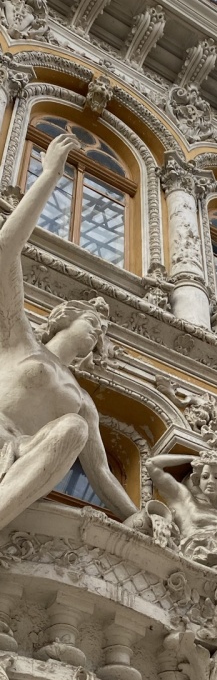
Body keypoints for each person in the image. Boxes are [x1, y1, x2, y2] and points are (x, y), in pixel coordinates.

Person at [0, 133, 136, 528]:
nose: (98, 332)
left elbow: (101, 475)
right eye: (93, 322)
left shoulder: (81, 400)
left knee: (74, 426)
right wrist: (49, 176)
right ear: (63, 318)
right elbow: (5, 251)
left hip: (25, 455)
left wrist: (138, 517)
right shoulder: (17, 338)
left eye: (103, 331)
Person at [143, 452, 217, 565]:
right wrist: (193, 459)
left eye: (216, 477)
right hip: (188, 562)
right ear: (198, 480)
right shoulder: (185, 499)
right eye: (205, 477)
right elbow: (151, 464)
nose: (210, 481)